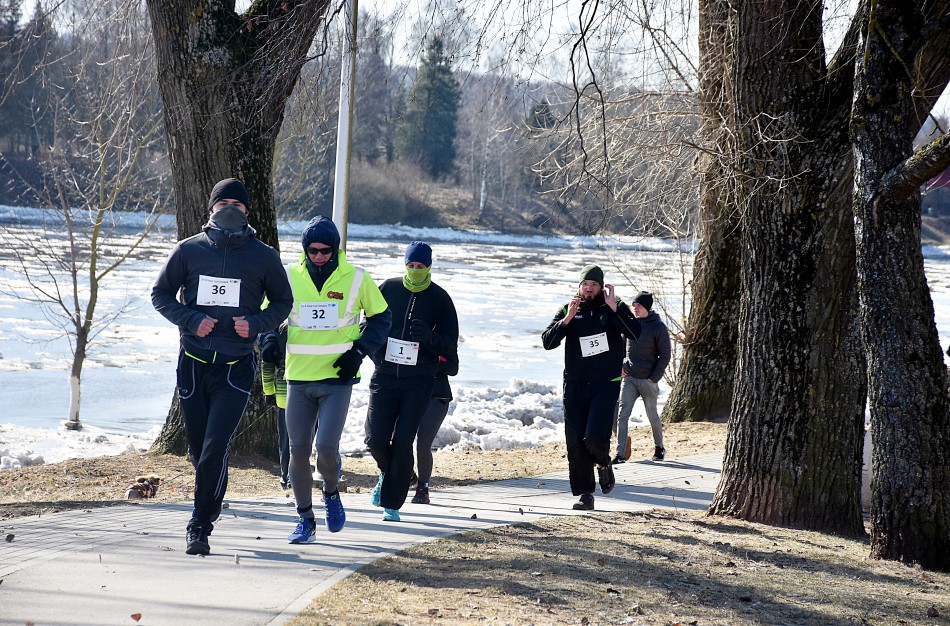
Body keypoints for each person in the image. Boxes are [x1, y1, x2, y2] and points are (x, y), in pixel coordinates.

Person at [151, 178, 294, 556]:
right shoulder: (189, 251)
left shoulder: (264, 257)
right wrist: (189, 319)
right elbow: (160, 294)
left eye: (237, 203)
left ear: (248, 211)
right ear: (211, 209)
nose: (229, 208)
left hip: (235, 367)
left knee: (215, 447)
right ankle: (211, 492)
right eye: (222, 202)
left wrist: (258, 323)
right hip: (194, 365)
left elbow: (283, 303)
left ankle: (200, 524)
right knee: (200, 451)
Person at [283, 216, 391, 543]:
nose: (318, 256)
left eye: (325, 250)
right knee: (297, 451)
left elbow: (382, 318)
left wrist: (358, 352)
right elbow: (270, 315)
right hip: (299, 378)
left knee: (326, 449)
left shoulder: (356, 278)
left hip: (337, 380)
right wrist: (270, 338)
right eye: (312, 250)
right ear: (305, 250)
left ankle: (331, 491)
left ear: (335, 249)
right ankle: (305, 520)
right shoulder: (288, 276)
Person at [366, 241, 459, 521]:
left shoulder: (440, 299)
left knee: (404, 440)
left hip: (419, 382)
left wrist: (430, 338)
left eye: (421, 266)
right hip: (384, 376)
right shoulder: (387, 289)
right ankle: (394, 474)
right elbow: (368, 325)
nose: (415, 270)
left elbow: (450, 345)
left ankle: (392, 505)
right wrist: (376, 353)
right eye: (411, 265)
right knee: (375, 440)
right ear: (404, 264)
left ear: (429, 267)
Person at [541, 265, 639, 511]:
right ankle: (586, 494)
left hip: (605, 385)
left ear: (601, 286)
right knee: (575, 443)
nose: (589, 288)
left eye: (594, 285)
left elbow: (635, 332)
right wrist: (566, 321)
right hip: (574, 385)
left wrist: (615, 309)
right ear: (579, 286)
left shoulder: (614, 306)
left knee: (594, 437)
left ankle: (604, 463)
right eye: (586, 284)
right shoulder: (568, 309)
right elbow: (547, 342)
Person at [614, 291, 672, 464]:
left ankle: (659, 448)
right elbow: (622, 348)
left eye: (638, 305)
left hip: (648, 380)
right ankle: (620, 454)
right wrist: (622, 365)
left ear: (646, 307)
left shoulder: (658, 327)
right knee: (622, 416)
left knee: (652, 416)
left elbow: (665, 355)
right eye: (633, 304)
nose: (634, 307)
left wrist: (654, 377)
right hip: (630, 378)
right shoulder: (630, 323)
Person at [410, 352, 459, 505]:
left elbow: (453, 367)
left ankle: (423, 489)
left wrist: (430, 360)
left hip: (436, 395)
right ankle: (408, 476)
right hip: (406, 391)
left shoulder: (441, 334)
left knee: (423, 444)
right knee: (398, 441)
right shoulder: (404, 330)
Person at [260, 322, 290, 489]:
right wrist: (269, 391)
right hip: (287, 396)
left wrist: (269, 391)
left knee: (288, 442)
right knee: (293, 441)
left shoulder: (280, 327)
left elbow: (267, 362)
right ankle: (288, 476)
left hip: (284, 396)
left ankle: (288, 476)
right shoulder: (281, 327)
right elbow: (268, 360)